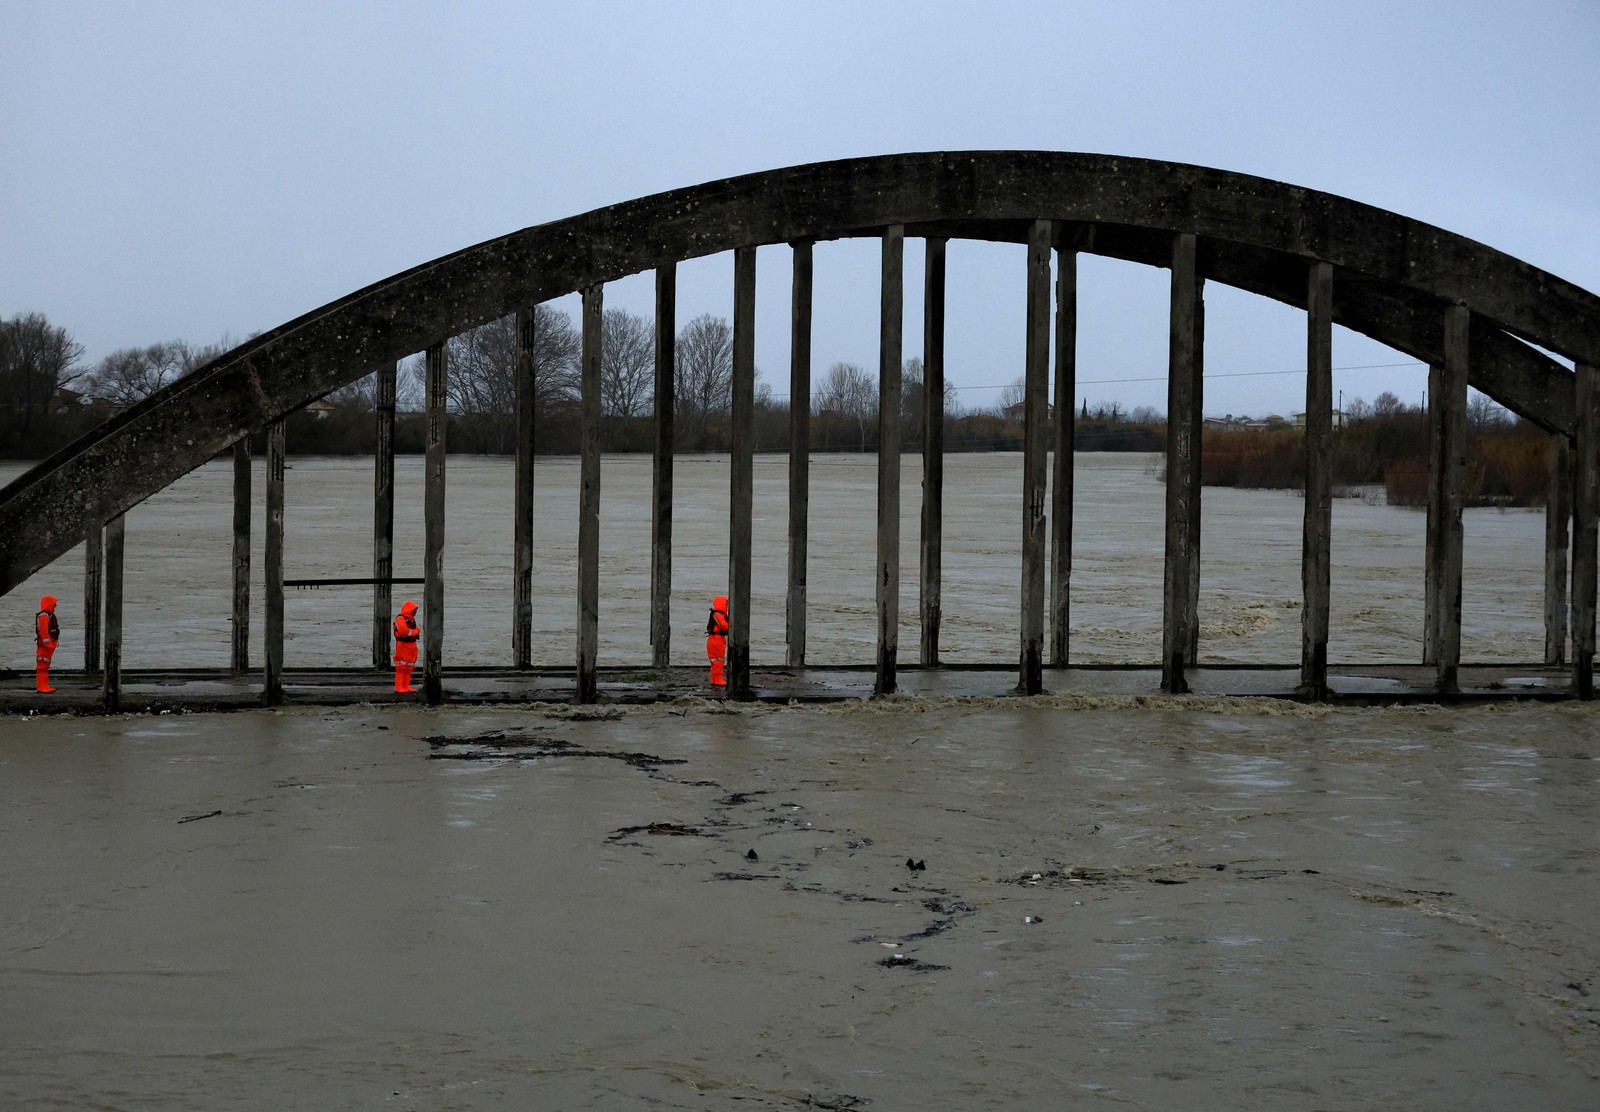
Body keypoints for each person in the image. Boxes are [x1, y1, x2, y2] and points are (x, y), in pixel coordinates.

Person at [35, 594, 60, 694]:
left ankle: (44, 685)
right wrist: (48, 644)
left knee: (44, 666)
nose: (55, 607)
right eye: (54, 604)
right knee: (42, 666)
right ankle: (42, 686)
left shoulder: (47, 615)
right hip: (45, 646)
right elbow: (43, 631)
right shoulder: (44, 616)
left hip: (49, 645)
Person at [393, 600, 419, 693]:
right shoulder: (400, 619)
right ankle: (398, 687)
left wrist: (415, 631)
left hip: (411, 645)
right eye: (414, 611)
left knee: (409, 667)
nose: (415, 613)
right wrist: (415, 632)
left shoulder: (411, 619)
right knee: (401, 667)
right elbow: (405, 631)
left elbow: (412, 631)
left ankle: (406, 686)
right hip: (403, 645)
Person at [705, 594, 729, 688]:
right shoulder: (717, 614)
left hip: (718, 639)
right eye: (726, 604)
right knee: (718, 660)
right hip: (716, 639)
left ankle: (715, 679)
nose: (727, 606)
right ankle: (717, 680)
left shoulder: (719, 614)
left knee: (717, 661)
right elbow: (724, 626)